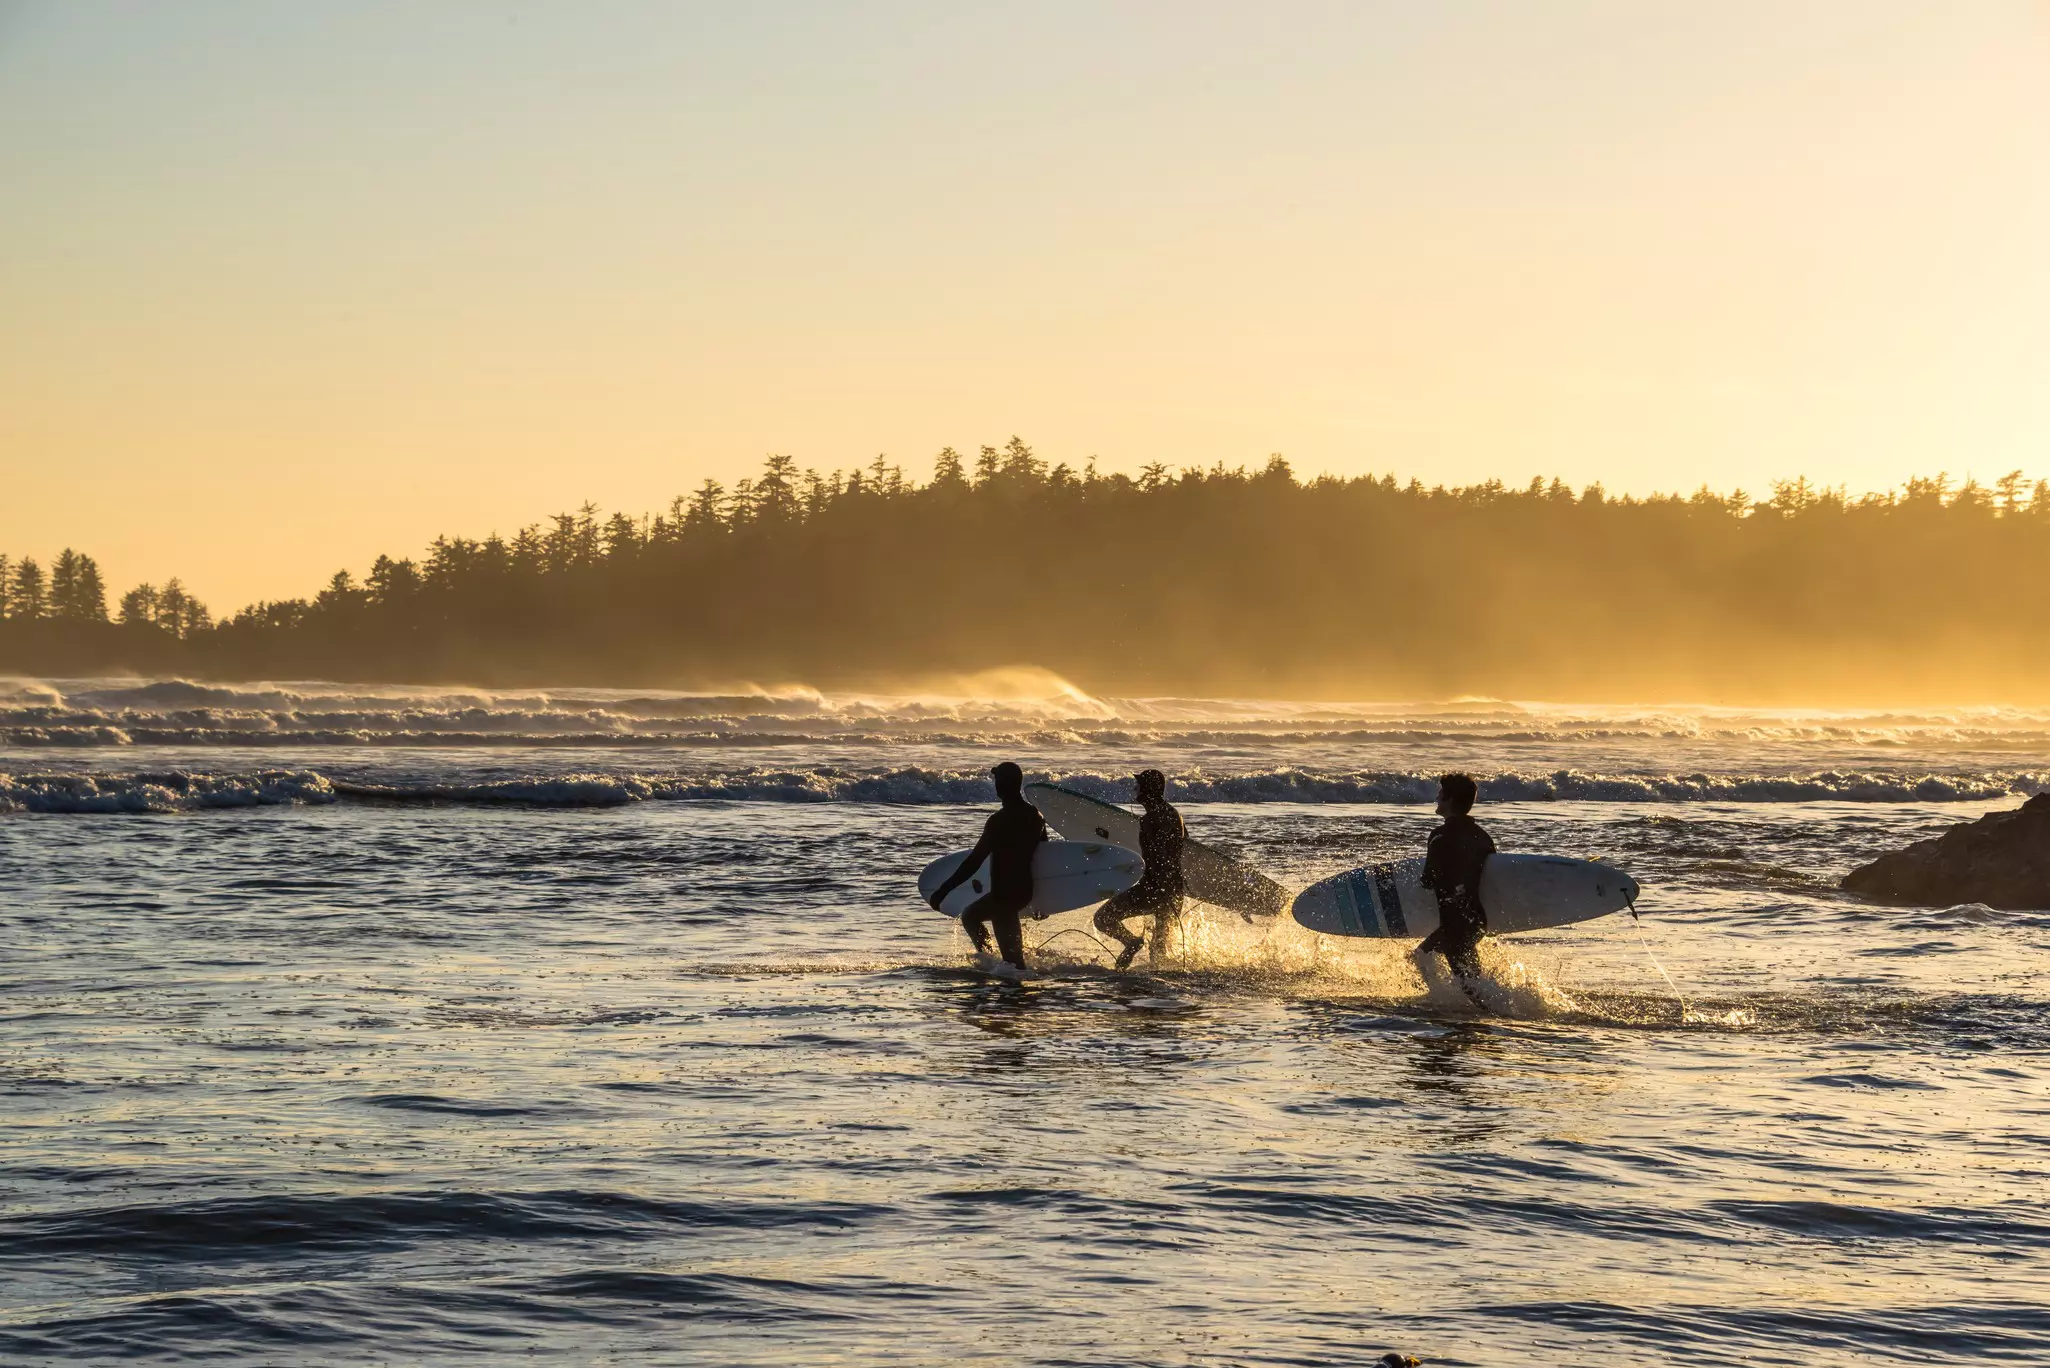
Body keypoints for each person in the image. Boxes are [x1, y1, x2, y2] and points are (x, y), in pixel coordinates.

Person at [926, 761, 1048, 972]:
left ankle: (1001, 977)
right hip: (1024, 891)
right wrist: (1042, 902)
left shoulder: (999, 820)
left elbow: (975, 860)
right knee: (971, 916)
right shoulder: (1036, 816)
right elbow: (1045, 858)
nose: (995, 785)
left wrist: (943, 890)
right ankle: (991, 964)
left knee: (1014, 965)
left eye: (997, 780)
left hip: (1004, 896)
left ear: (1001, 785)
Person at [1093, 769, 1186, 970]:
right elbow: (1180, 851)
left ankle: (1131, 942)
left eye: (1139, 786)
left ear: (1147, 790)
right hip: (1174, 889)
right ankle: (1158, 995)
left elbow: (1159, 857)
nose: (1136, 791)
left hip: (1154, 888)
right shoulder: (1175, 815)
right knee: (1158, 953)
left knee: (1103, 919)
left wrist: (1155, 887)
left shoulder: (1150, 820)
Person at [1415, 772, 1495, 986]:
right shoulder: (1482, 836)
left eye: (1440, 794)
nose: (1437, 798)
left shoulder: (1440, 836)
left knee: (1422, 957)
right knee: (1473, 980)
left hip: (1454, 921)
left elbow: (1428, 879)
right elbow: (1489, 876)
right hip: (1477, 919)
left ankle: (1443, 1004)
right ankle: (1476, 1006)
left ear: (1449, 800)